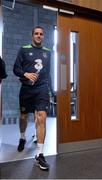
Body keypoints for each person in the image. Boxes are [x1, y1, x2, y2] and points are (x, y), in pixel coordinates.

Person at [13, 26, 52, 171]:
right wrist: (25, 74)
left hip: (42, 89)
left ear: (43, 36)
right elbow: (15, 69)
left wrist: (51, 91)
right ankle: (22, 137)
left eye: (41, 34)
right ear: (32, 36)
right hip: (26, 89)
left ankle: (39, 154)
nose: (39, 36)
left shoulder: (48, 52)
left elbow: (49, 73)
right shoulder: (23, 49)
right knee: (24, 117)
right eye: (36, 33)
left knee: (41, 117)